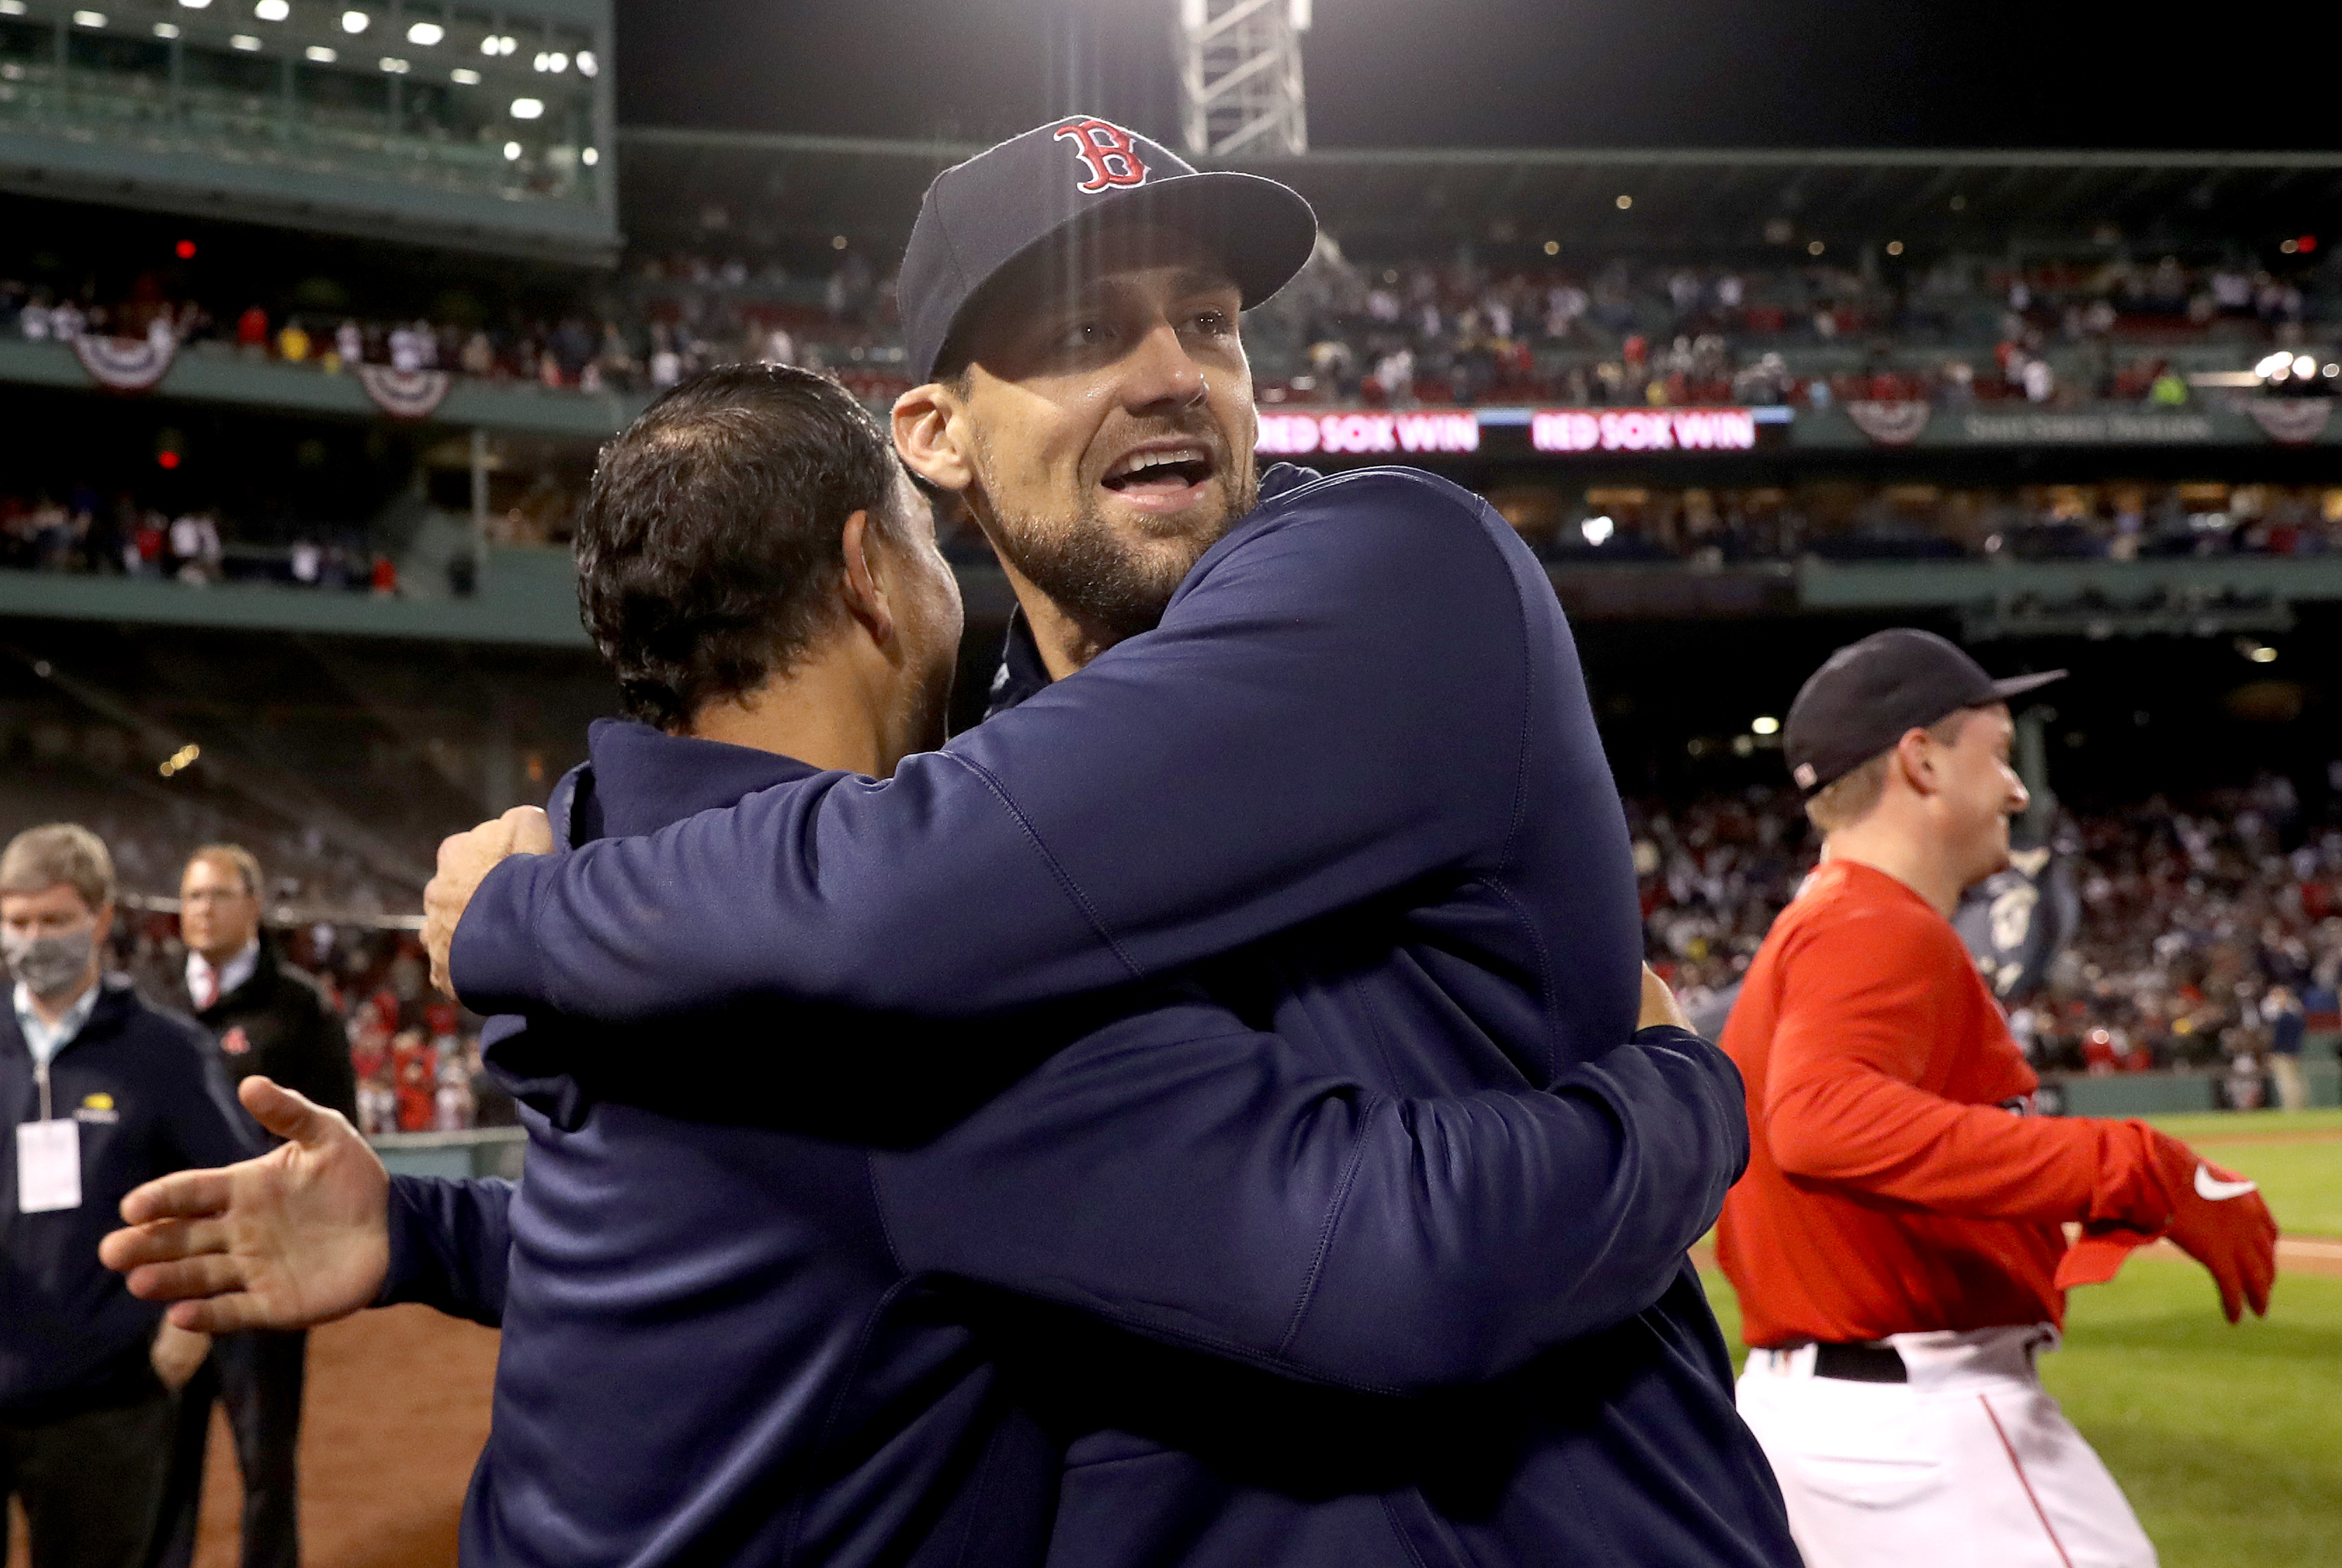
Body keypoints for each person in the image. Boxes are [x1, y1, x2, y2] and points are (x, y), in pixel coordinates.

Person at [106, 362, 1766, 1568]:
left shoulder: (605, 851)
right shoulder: (914, 1002)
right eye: (924, 536)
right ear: (865, 573)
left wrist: (425, 1223)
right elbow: (1410, 1254)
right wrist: (1680, 1084)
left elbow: (769, 1236)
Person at [414, 116, 1793, 1564]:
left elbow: (894, 898)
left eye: (1206, 321)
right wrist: (418, 1232)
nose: (1171, 372)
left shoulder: (1388, 577)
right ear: (934, 436)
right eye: (1085, 329)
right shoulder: (968, 765)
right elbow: (883, 1189)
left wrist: (529, 906)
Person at [1717, 628, 2280, 1568]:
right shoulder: (1872, 923)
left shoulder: (1814, 927)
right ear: (1921, 760)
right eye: (2001, 755)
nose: (2018, 792)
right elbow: (1821, 1122)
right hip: (1921, 1437)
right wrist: (2131, 1165)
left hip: (1823, 1419)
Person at [0, 825, 254, 1568]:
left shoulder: (166, 1052)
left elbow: (237, 1193)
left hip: (106, 1400)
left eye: (54, 919)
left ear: (99, 918)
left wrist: (189, 1326)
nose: (33, 939)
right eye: (18, 921)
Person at [147, 846, 357, 1568]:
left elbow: (337, 1136)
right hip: (168, 1271)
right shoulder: (149, 1000)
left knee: (265, 1460)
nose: (199, 908)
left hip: (264, 1271)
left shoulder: (300, 1007)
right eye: (189, 894)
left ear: (253, 904)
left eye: (215, 893)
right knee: (161, 1467)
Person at [2264, 984, 2308, 1112]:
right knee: (2293, 1081)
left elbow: (2279, 1036)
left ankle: (2293, 1109)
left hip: (2284, 1052)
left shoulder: (2288, 1015)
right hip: (2290, 1051)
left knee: (2288, 1083)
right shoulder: (2293, 1014)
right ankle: (2297, 1108)